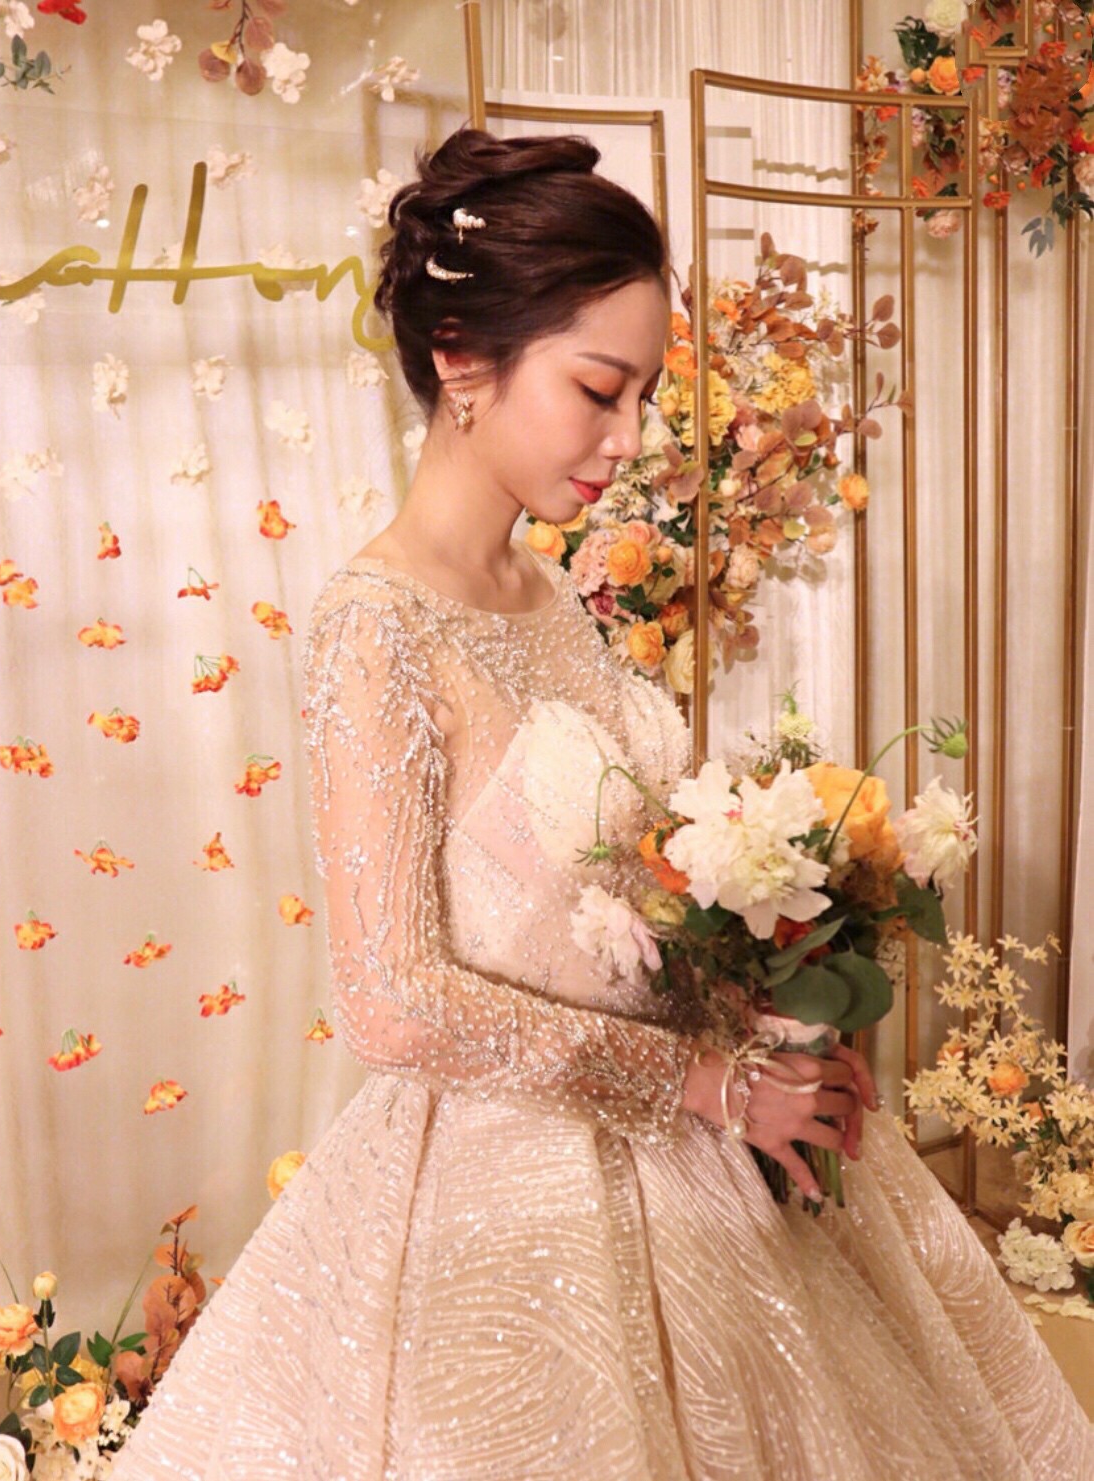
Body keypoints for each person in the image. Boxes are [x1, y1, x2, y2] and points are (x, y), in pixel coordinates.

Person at [112, 128, 1094, 1480]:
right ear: (463, 358)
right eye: (599, 389)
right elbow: (392, 1001)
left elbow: (624, 891)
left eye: (642, 397)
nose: (629, 440)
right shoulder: (375, 627)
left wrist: (771, 1026)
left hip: (699, 1141)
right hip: (510, 1192)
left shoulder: (548, 593)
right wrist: (706, 1081)